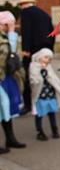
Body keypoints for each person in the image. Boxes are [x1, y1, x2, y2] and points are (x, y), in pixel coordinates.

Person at [18, 0, 55, 115]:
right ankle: (48, 98)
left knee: (30, 76)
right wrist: (50, 49)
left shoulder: (26, 13)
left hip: (33, 50)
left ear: (22, 5)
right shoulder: (43, 13)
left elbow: (26, 31)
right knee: (45, 74)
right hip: (45, 48)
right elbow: (52, 30)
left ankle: (28, 104)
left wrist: (25, 49)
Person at [0, 11, 26, 153]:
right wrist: (11, 33)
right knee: (2, 107)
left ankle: (10, 138)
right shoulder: (3, 38)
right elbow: (11, 51)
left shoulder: (4, 36)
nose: (10, 27)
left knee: (6, 108)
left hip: (5, 77)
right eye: (7, 24)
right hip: (1, 77)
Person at [29, 48, 60, 141]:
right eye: (45, 57)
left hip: (49, 95)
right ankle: (39, 131)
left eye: (49, 59)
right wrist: (42, 70)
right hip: (40, 96)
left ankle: (54, 129)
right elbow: (35, 80)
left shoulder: (48, 67)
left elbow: (53, 78)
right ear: (40, 56)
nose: (47, 60)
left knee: (52, 112)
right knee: (39, 114)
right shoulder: (33, 66)